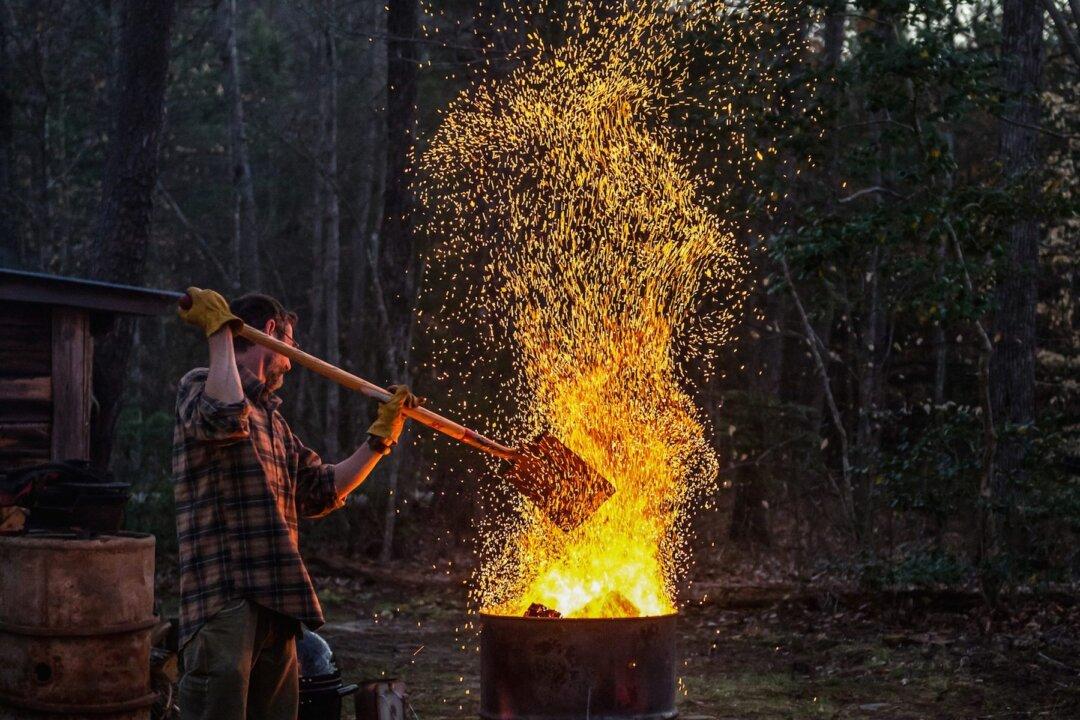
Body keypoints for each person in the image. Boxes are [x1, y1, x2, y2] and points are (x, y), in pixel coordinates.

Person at [172, 287, 418, 720]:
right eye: (291, 343)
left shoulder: (276, 423)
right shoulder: (200, 382)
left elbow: (325, 488)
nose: (296, 355)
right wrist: (220, 336)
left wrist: (381, 439)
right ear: (270, 331)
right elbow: (224, 416)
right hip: (225, 599)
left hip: (277, 601)